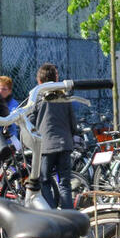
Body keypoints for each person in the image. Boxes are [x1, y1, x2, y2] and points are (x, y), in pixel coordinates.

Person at [34, 63, 77, 209]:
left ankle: (52, 213)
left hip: (46, 146)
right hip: (65, 144)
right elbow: (72, 122)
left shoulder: (38, 97)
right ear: (56, 78)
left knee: (44, 180)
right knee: (65, 183)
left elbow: (31, 120)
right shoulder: (63, 96)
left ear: (40, 81)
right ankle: (68, 216)